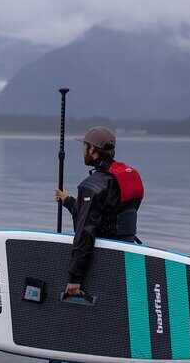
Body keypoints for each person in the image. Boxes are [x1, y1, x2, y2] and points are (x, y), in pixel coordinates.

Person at [55, 126, 144, 297]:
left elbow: (85, 233)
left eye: (84, 146)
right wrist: (68, 201)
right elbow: (106, 214)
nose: (83, 150)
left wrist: (75, 278)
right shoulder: (129, 176)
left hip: (104, 257)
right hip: (127, 252)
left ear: (92, 149)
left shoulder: (92, 185)